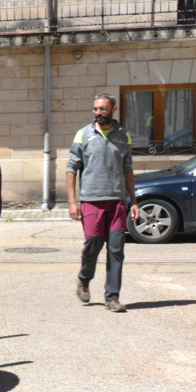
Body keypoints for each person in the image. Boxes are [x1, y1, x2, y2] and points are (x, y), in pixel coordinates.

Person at [66, 93, 140, 313]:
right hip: (91, 200)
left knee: (116, 249)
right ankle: (84, 278)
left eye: (103, 109)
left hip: (117, 201)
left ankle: (112, 297)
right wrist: (72, 202)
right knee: (94, 243)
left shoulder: (123, 135)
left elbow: (127, 169)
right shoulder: (83, 135)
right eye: (96, 109)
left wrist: (133, 201)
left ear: (113, 109)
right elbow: (72, 168)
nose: (98, 113)